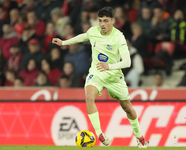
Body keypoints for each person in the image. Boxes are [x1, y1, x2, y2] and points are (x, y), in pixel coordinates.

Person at [52, 6, 148, 148]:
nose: (102, 24)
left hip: (114, 76)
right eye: (100, 21)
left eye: (106, 21)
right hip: (96, 73)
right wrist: (64, 42)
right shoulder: (93, 31)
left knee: (127, 107)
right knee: (89, 97)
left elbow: (127, 62)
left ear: (113, 21)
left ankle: (140, 137)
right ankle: (100, 135)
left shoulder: (119, 37)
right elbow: (83, 37)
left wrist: (109, 66)